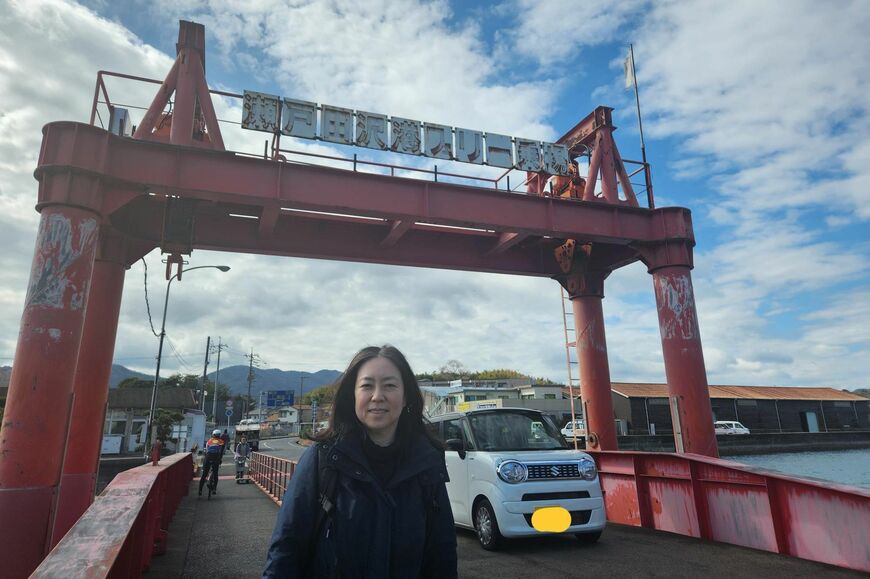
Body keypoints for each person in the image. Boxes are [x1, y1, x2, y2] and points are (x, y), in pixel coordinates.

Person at [263, 345, 457, 578]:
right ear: (352, 396)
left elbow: (442, 555)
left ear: (406, 397)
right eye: (366, 386)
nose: (377, 396)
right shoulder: (322, 459)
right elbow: (286, 550)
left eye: (390, 385)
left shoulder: (427, 464)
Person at [199, 429, 225, 496]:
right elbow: (221, 452)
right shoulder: (221, 441)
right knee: (215, 473)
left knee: (204, 474)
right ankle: (214, 489)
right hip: (216, 457)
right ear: (219, 435)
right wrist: (220, 460)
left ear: (213, 435)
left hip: (208, 457)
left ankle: (200, 490)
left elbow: (206, 450)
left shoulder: (209, 441)